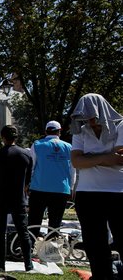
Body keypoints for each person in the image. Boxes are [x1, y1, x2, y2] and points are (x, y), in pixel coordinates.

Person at [70, 93, 123, 280]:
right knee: (95, 244)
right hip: (88, 194)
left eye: (93, 117)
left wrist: (90, 159)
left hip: (117, 192)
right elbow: (76, 161)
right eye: (86, 118)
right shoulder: (81, 131)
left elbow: (121, 158)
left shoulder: (120, 126)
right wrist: (105, 158)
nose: (90, 122)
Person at [0, 125, 33, 271]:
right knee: (23, 231)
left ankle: (1, 264)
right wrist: (22, 191)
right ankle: (28, 264)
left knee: (0, 232)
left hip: (1, 197)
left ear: (3, 137)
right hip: (18, 197)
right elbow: (29, 179)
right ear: (16, 137)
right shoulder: (25, 154)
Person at [28, 120, 75, 242]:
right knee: (55, 222)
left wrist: (28, 184)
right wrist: (71, 187)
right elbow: (73, 170)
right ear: (60, 131)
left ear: (46, 131)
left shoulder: (37, 144)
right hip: (61, 189)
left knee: (34, 220)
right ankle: (51, 250)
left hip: (39, 188)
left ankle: (29, 246)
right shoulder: (69, 147)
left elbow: (31, 166)